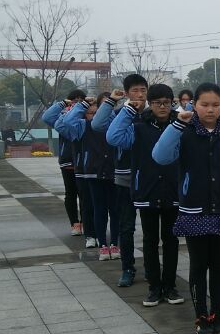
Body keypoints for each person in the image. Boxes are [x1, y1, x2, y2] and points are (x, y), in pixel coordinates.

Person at [153, 83, 220, 334]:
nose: (210, 109)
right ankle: (201, 316)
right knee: (198, 266)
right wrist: (177, 124)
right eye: (204, 104)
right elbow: (160, 156)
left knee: (218, 265)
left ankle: (217, 314)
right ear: (193, 105)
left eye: (215, 105)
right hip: (193, 210)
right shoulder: (184, 132)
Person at [106, 84, 184, 306]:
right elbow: (113, 137)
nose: (162, 107)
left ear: (172, 103)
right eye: (157, 102)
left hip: (173, 190)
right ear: (150, 103)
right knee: (150, 241)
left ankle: (170, 286)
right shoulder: (139, 125)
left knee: (170, 240)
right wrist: (129, 109)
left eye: (166, 103)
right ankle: (154, 287)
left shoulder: (180, 124)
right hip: (147, 190)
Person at [92, 74, 149, 287]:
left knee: (152, 229)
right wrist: (111, 101)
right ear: (126, 93)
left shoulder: (152, 114)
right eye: (135, 90)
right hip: (125, 179)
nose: (140, 94)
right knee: (126, 228)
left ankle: (152, 269)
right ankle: (127, 268)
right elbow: (97, 125)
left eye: (143, 90)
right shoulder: (120, 114)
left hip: (149, 179)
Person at [57, 93, 118, 261]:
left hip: (114, 172)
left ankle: (115, 242)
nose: (107, 108)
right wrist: (82, 105)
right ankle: (101, 243)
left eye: (111, 105)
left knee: (115, 210)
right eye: (104, 105)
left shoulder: (117, 123)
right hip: (91, 171)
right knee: (97, 208)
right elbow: (65, 122)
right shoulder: (84, 125)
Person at [42, 89, 88, 238]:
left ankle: (86, 222)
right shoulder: (63, 117)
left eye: (81, 99)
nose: (78, 102)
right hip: (68, 161)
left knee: (85, 195)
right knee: (71, 193)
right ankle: (74, 223)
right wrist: (62, 104)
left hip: (85, 161)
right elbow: (47, 117)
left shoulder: (87, 115)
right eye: (74, 99)